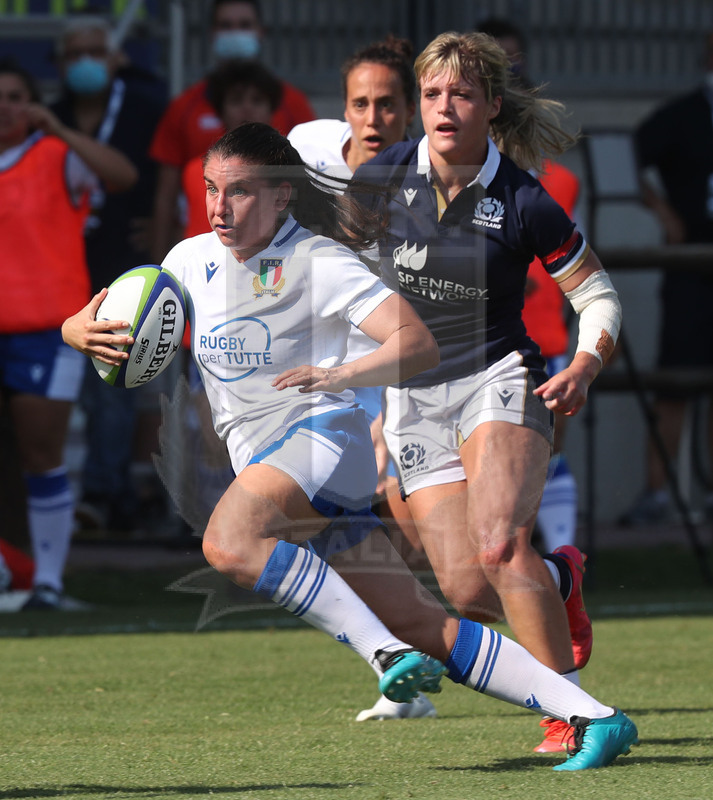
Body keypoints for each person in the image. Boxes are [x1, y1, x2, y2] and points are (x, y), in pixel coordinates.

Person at [62, 121, 637, 771]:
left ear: (282, 195)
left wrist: (340, 376)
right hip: (272, 460)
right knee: (428, 623)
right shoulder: (187, 261)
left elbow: (417, 343)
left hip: (323, 439)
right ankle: (595, 716)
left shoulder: (320, 262)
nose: (220, 207)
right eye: (210, 189)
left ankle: (382, 653)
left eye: (240, 191)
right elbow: (104, 317)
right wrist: (76, 330)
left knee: (228, 541)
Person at [352, 31, 622, 752]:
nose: (444, 107)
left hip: (499, 377)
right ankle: (559, 581)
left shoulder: (524, 198)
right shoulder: (377, 182)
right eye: (432, 93)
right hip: (413, 398)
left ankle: (572, 715)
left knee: (501, 546)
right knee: (470, 591)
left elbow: (597, 297)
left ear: (492, 105)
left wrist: (585, 363)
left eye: (462, 94)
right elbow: (333, 287)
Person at [289, 35, 435, 722]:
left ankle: (549, 581)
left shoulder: (433, 187)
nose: (373, 119)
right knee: (329, 526)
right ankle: (399, 676)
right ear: (342, 109)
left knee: (421, 542)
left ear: (410, 111)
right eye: (360, 103)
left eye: (387, 104)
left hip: (401, 369)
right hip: (325, 370)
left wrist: (388, 411)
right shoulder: (306, 148)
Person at [0, 59, 138, 609]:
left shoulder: (58, 155)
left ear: (33, 103)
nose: (5, 106)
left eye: (15, 96)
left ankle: (49, 583)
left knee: (42, 454)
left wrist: (58, 129)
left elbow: (123, 177)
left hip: (43, 331)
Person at [50, 15, 167, 534]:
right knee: (77, 395)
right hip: (62, 273)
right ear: (59, 64)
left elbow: (156, 178)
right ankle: (80, 499)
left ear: (116, 58)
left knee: (114, 383)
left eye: (95, 52)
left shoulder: (144, 108)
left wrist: (160, 229)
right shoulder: (50, 117)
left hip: (124, 271)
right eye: (74, 54)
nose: (85, 64)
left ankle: (106, 495)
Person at [477, 18, 581, 556]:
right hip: (463, 344)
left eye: (512, 58)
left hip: (538, 336)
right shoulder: (434, 171)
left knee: (544, 450)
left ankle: (563, 555)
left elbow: (576, 270)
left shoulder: (555, 182)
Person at [620, 29, 713, 526]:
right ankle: (657, 493)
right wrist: (663, 212)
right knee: (674, 381)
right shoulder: (682, 116)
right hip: (689, 266)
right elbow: (624, 157)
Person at [149, 0, 316, 264]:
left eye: (244, 25)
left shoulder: (294, 104)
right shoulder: (185, 116)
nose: (247, 108)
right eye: (226, 25)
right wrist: (159, 260)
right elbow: (166, 197)